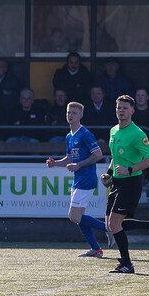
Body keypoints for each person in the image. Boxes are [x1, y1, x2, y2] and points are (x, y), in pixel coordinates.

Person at [102, 95, 149, 274]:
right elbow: (116, 157)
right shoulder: (114, 130)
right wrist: (109, 173)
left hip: (131, 183)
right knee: (110, 225)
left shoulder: (138, 133)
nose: (121, 111)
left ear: (132, 110)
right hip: (116, 182)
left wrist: (130, 169)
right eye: (118, 108)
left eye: (125, 108)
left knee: (115, 224)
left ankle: (127, 264)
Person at [46, 101, 106, 257]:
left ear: (81, 115)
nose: (70, 115)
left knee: (74, 216)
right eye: (68, 112)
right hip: (78, 180)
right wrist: (55, 164)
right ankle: (96, 249)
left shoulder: (85, 134)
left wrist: (79, 165)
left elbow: (98, 155)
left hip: (86, 180)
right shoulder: (69, 136)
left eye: (74, 112)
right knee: (79, 218)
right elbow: (69, 158)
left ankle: (109, 229)